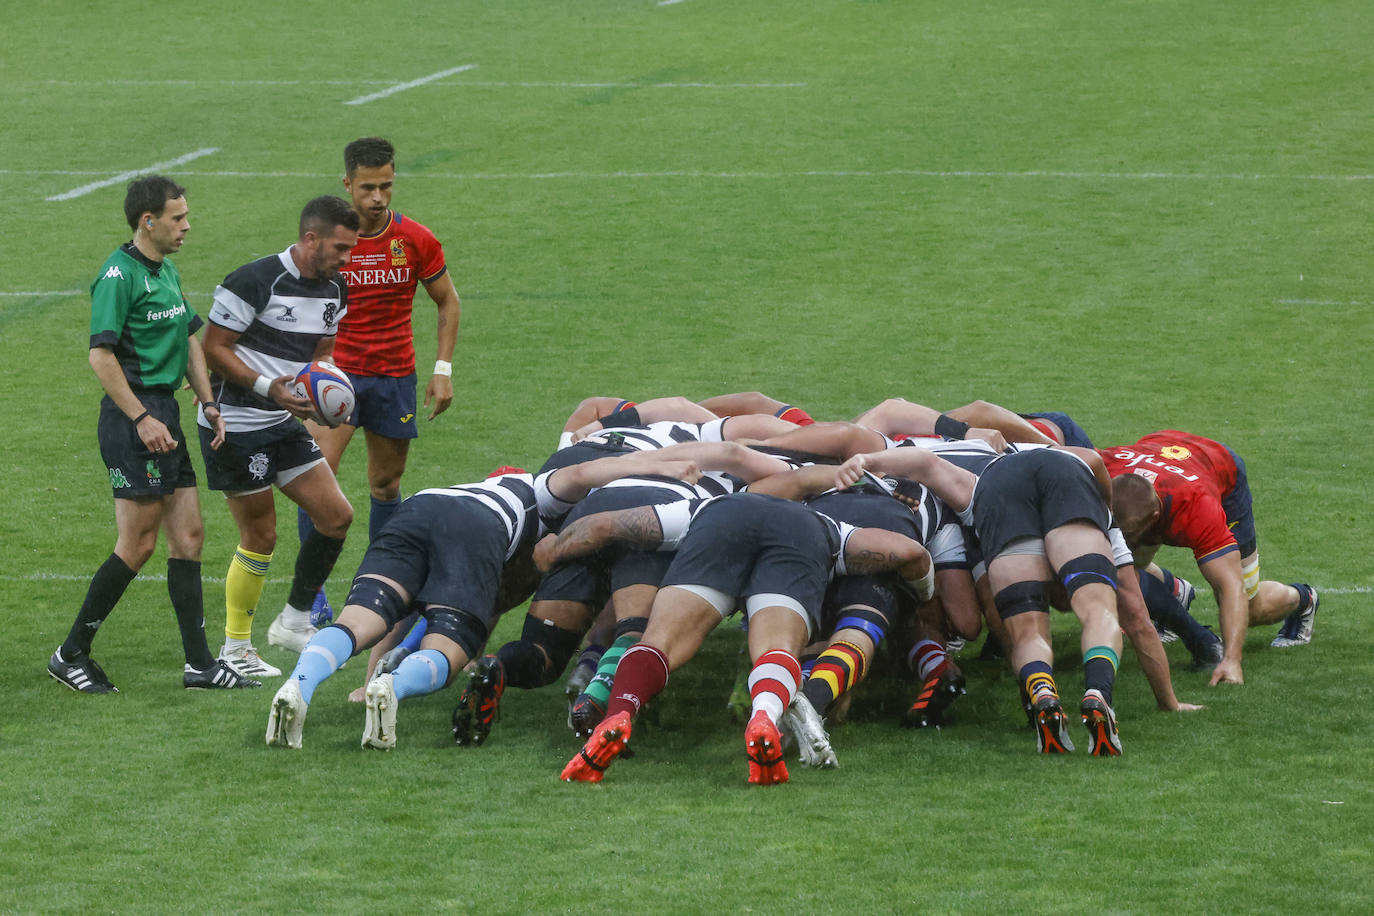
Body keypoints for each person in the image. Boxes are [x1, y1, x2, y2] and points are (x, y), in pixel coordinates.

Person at [265, 453, 704, 749]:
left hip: (416, 510)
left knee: (359, 618)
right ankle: (394, 688)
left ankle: (299, 684)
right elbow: (590, 472)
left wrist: (367, 677)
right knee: (446, 654)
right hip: (476, 527)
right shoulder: (538, 492)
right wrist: (663, 467)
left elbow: (409, 618)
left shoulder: (468, 487)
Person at [545, 491, 936, 785]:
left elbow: (602, 526)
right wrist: (923, 594)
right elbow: (909, 552)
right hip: (801, 539)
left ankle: (618, 715)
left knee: (659, 642)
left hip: (721, 522)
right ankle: (764, 718)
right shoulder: (833, 528)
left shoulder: (702, 504)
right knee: (775, 650)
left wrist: (549, 552)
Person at [47, 176, 258, 692]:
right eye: (178, 217)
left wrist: (209, 404)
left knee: (188, 538)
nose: (187, 225)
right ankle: (70, 654)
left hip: (166, 414)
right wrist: (142, 417)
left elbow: (190, 340)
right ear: (148, 221)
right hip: (133, 418)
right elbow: (100, 355)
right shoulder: (118, 276)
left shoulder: (166, 270)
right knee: (138, 544)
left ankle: (200, 665)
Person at [295, 137, 462, 641]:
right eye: (368, 187)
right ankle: (313, 594)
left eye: (386, 186)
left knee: (386, 486)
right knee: (318, 481)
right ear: (347, 184)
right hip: (334, 378)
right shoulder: (327, 242)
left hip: (393, 376)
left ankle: (381, 587)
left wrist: (443, 369)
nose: (378, 197)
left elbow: (447, 302)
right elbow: (293, 307)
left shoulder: (415, 239)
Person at [198, 196, 360, 678]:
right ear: (310, 239)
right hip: (236, 425)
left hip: (281, 420)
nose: (347, 259)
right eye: (340, 247)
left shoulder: (335, 290)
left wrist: (328, 393)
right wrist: (271, 387)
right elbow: (212, 348)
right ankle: (235, 649)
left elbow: (322, 355)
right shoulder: (253, 280)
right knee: (261, 535)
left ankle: (293, 619)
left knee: (336, 517)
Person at [1102, 431, 1318, 687]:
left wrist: (1231, 660)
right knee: (1116, 558)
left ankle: (1303, 600)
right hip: (1163, 445)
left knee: (1250, 608)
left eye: (1129, 534)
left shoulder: (1196, 507)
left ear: (1155, 518)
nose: (1123, 541)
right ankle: (1174, 592)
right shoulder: (1102, 468)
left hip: (1219, 471)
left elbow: (1230, 586)